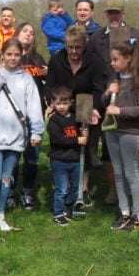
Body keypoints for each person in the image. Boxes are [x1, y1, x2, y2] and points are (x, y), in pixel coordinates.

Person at [0, 38, 45, 246]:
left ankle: (0, 215)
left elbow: (34, 107)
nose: (13, 58)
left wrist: (37, 132)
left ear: (21, 55)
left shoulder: (26, 79)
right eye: (9, 54)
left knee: (7, 178)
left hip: (15, 137)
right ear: (1, 55)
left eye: (17, 55)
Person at [89, 0, 139, 202]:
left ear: (123, 13)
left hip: (134, 98)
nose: (114, 17)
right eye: (110, 13)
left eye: (117, 13)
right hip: (109, 99)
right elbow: (92, 68)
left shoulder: (136, 35)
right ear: (105, 14)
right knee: (110, 146)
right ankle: (114, 189)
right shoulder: (96, 38)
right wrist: (103, 95)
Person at [45, 24, 110, 204]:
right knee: (64, 142)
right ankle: (63, 185)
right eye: (70, 47)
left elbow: (99, 88)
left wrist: (96, 108)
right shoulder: (57, 60)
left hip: (85, 103)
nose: (73, 51)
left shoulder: (95, 61)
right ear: (65, 45)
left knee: (85, 146)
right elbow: (49, 84)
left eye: (77, 47)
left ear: (84, 45)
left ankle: (83, 188)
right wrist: (51, 101)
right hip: (62, 104)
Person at [103, 40, 139, 232]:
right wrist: (108, 92)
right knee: (118, 172)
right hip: (112, 131)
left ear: (128, 58)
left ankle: (138, 216)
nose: (113, 63)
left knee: (131, 172)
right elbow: (104, 102)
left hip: (131, 133)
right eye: (111, 60)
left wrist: (120, 111)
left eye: (116, 59)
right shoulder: (115, 77)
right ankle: (124, 212)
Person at [8, 22, 48, 209]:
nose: (28, 35)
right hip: (13, 117)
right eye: (25, 31)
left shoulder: (38, 59)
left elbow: (46, 84)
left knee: (32, 157)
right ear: (17, 33)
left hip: (34, 115)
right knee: (13, 156)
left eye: (32, 33)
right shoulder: (10, 58)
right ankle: (9, 192)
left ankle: (27, 192)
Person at [46, 85, 88, 225]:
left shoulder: (76, 118)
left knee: (76, 187)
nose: (62, 107)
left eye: (65, 103)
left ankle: (67, 207)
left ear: (71, 103)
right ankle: (58, 213)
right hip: (59, 161)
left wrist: (84, 133)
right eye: (58, 103)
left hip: (76, 160)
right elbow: (58, 139)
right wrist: (78, 140)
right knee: (62, 189)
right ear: (53, 103)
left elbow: (82, 131)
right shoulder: (54, 121)